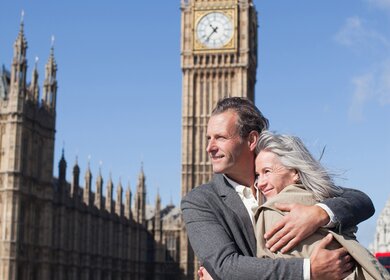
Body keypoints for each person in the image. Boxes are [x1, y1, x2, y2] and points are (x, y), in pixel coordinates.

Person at [181, 97, 375, 280]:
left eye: (220, 137)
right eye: (208, 138)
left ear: (251, 140)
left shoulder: (280, 174)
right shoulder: (201, 201)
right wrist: (309, 270)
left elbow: (361, 201)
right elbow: (226, 267)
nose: (209, 147)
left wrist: (318, 214)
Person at [254, 131, 390, 280]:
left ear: (295, 171)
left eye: (267, 171)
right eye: (258, 175)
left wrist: (320, 213)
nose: (260, 183)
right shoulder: (320, 197)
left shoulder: (271, 212)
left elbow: (362, 201)